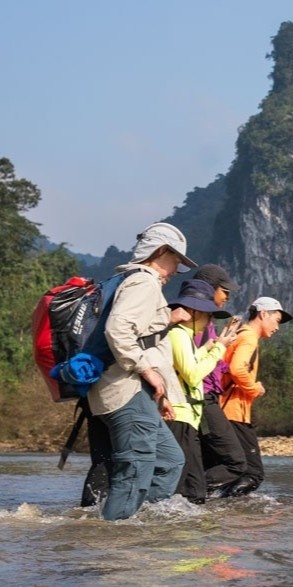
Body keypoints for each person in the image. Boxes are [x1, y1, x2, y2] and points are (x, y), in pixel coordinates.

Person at [88, 222, 194, 521]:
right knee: (135, 468)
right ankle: (114, 543)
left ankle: (133, 521)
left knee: (170, 461)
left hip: (136, 392)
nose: (176, 269)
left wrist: (161, 393)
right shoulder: (143, 283)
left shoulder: (129, 280)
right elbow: (118, 330)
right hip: (125, 389)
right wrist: (147, 371)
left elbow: (147, 342)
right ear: (160, 252)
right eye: (176, 260)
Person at [161, 279, 238, 504]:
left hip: (189, 417)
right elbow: (193, 374)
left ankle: (185, 533)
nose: (209, 321)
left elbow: (193, 362)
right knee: (189, 489)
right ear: (194, 312)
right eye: (207, 314)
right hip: (179, 415)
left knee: (193, 489)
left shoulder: (185, 337)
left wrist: (213, 345)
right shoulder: (178, 334)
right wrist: (219, 349)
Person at [209, 295, 292, 497]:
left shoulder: (239, 333)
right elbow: (237, 369)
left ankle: (214, 506)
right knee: (253, 474)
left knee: (233, 467)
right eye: (276, 321)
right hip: (233, 412)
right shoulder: (248, 337)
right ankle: (220, 506)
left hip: (225, 410)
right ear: (263, 314)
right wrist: (255, 388)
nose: (277, 327)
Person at [191, 264, 249, 493]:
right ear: (210, 289)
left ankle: (193, 498)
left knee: (204, 458)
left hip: (206, 396)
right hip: (202, 398)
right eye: (224, 291)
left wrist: (224, 344)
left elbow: (213, 362)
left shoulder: (206, 321)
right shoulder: (196, 321)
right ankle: (192, 493)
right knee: (235, 462)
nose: (227, 297)